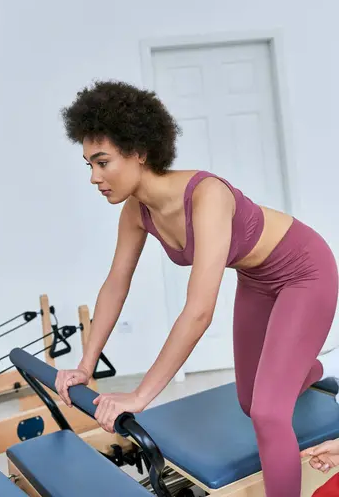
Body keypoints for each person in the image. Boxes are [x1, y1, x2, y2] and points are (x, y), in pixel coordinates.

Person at [55, 80, 338, 497]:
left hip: (305, 272)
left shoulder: (207, 195)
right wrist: (86, 363)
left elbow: (199, 310)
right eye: (88, 165)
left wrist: (140, 395)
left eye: (103, 162)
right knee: (248, 401)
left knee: (267, 414)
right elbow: (116, 285)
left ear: (138, 152)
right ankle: (309, 370)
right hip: (257, 280)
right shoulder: (137, 211)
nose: (94, 177)